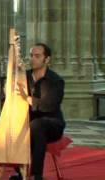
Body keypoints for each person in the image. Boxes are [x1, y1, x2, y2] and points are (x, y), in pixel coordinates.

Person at [10, 43, 66, 180]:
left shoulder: (56, 81)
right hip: (30, 124)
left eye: (37, 56)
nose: (32, 59)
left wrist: (27, 98)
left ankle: (36, 175)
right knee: (4, 135)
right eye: (31, 55)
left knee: (37, 126)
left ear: (47, 60)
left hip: (53, 124)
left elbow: (49, 106)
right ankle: (24, 173)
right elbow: (10, 99)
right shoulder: (24, 77)